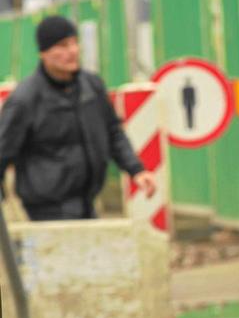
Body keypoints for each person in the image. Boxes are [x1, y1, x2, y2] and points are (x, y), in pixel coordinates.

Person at [0, 16, 156, 221]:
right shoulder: (26, 99)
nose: (72, 51)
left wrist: (136, 170)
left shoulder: (92, 87)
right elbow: (4, 149)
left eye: (74, 43)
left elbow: (113, 132)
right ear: (43, 53)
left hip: (86, 201)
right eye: (62, 46)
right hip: (46, 211)